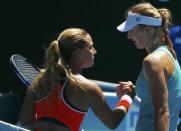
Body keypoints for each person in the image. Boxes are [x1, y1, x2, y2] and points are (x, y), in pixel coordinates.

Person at [17, 28, 135, 131]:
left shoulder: (40, 82)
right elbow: (113, 122)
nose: (94, 51)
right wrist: (127, 97)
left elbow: (25, 122)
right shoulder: (87, 88)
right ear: (79, 52)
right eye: (91, 47)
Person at [116, 2, 181, 131]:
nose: (129, 36)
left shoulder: (152, 61)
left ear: (147, 28)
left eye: (132, 30)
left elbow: (163, 113)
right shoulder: (168, 55)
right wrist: (134, 93)